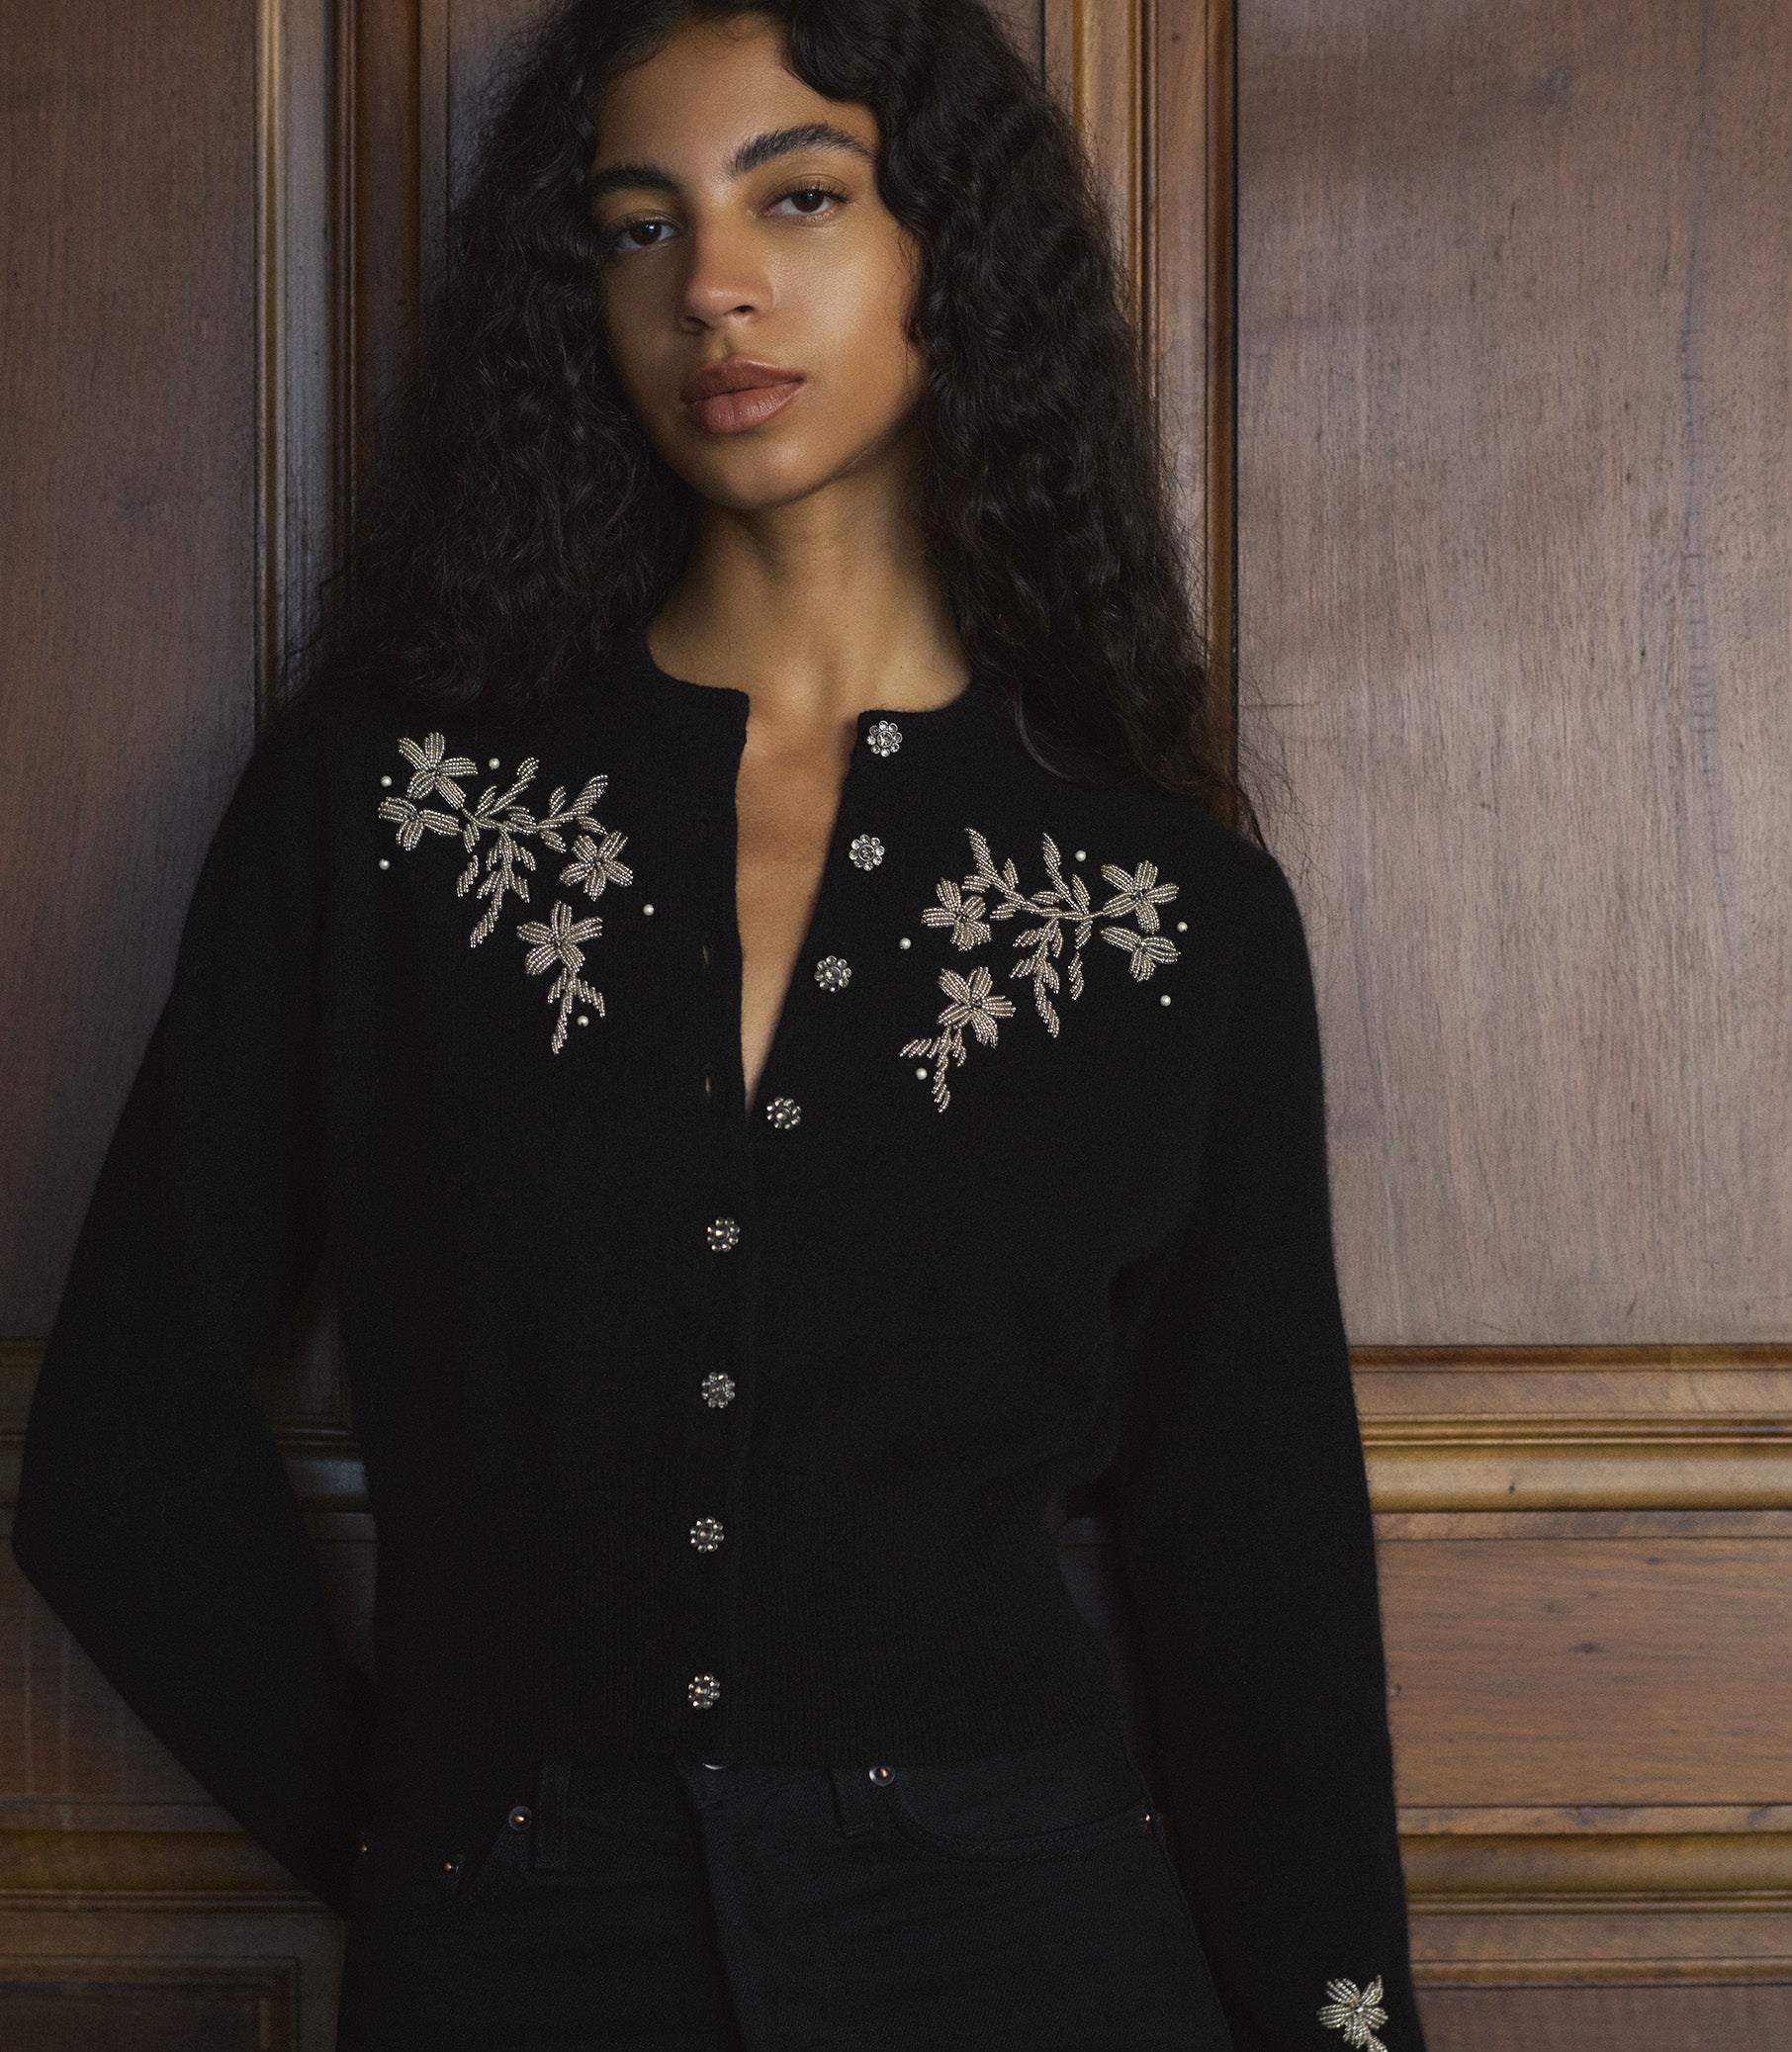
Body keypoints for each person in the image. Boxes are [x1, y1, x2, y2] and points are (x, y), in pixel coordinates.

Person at [11, 3, 1426, 2047]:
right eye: (639, 225)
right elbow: (118, 1450)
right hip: (519, 1951)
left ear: (954, 244)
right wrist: (433, 1850)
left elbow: (1257, 1571)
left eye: (802, 198)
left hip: (1030, 1948)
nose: (714, 287)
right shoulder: (392, 812)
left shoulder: (1163, 912)